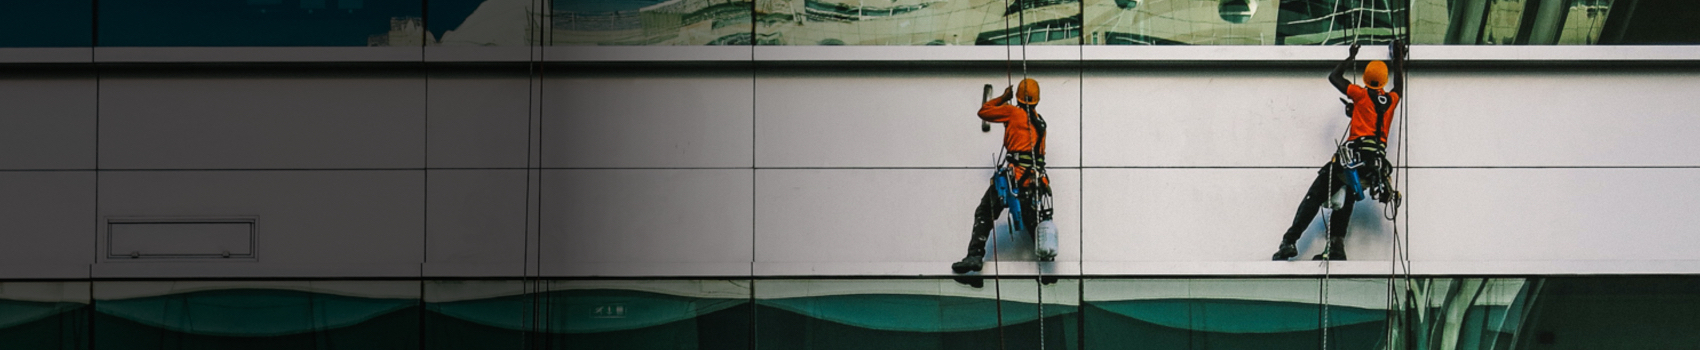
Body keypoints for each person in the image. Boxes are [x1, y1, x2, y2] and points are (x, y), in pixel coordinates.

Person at [1272, 40, 1406, 261]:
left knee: (1315, 196)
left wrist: (1350, 57)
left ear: (1366, 80)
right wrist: (1398, 57)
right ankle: (1336, 247)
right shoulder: (1390, 100)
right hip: (1374, 167)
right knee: (1347, 198)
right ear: (1382, 81)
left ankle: (1289, 241)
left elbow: (1334, 77)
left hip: (1352, 158)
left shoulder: (1361, 94)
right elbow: (1399, 86)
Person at [953, 78, 1052, 273]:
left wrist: (1003, 97)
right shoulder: (1041, 122)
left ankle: (975, 255)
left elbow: (983, 112)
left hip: (1014, 178)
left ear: (1017, 98)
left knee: (985, 212)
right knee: (1032, 219)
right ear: (1037, 101)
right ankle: (1047, 265)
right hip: (1033, 180)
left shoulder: (1013, 112)